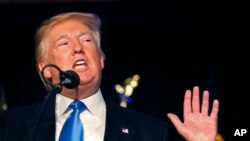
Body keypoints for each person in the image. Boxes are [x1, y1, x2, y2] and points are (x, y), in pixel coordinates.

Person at [0, 12, 219, 141]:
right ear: (45, 68)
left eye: (87, 41)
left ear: (102, 59)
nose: (78, 48)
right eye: (64, 43)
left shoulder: (149, 131)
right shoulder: (10, 127)